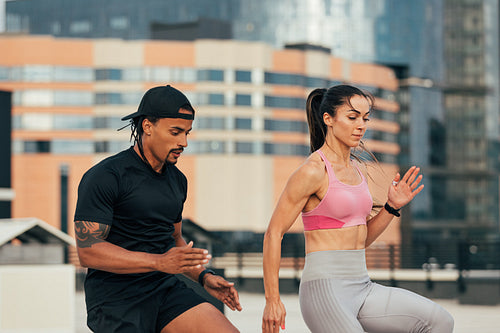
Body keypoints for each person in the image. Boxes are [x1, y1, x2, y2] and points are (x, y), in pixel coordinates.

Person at [261, 84, 454, 333]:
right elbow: (273, 233)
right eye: (352, 117)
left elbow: (360, 240)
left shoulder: (357, 170)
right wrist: (272, 300)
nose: (361, 125)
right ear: (328, 119)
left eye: (365, 118)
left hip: (361, 285)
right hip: (324, 290)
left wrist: (391, 207)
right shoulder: (313, 171)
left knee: (440, 321)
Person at [74, 85, 242, 333]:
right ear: (147, 126)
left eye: (187, 133)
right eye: (175, 132)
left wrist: (204, 276)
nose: (183, 142)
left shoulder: (177, 180)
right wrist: (159, 262)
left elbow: (174, 240)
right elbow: (88, 251)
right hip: (115, 301)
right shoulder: (106, 176)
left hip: (164, 290)